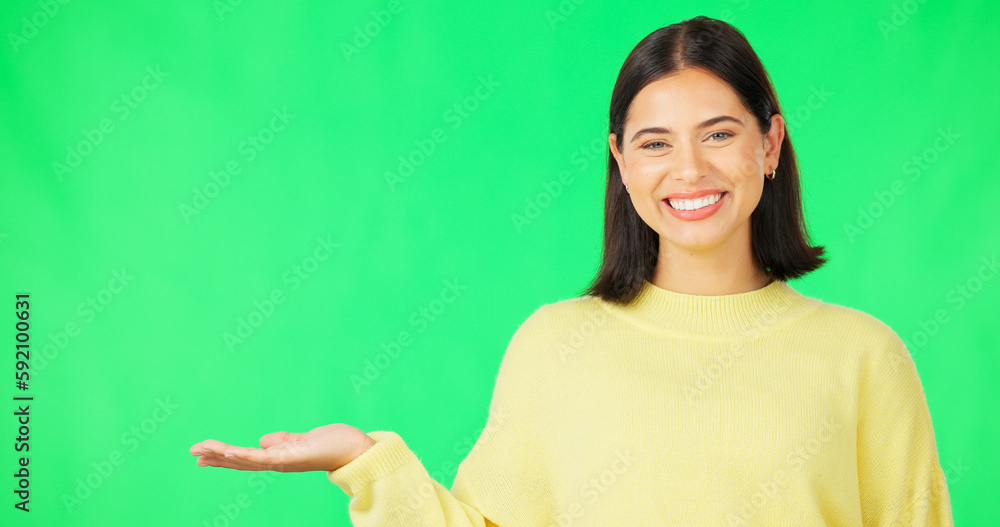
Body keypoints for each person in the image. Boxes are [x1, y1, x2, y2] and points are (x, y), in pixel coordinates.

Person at [190, 16, 954, 526]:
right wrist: (364, 461)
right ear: (620, 162)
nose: (689, 169)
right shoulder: (556, 344)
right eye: (654, 143)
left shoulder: (863, 356)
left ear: (769, 144)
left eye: (719, 133)